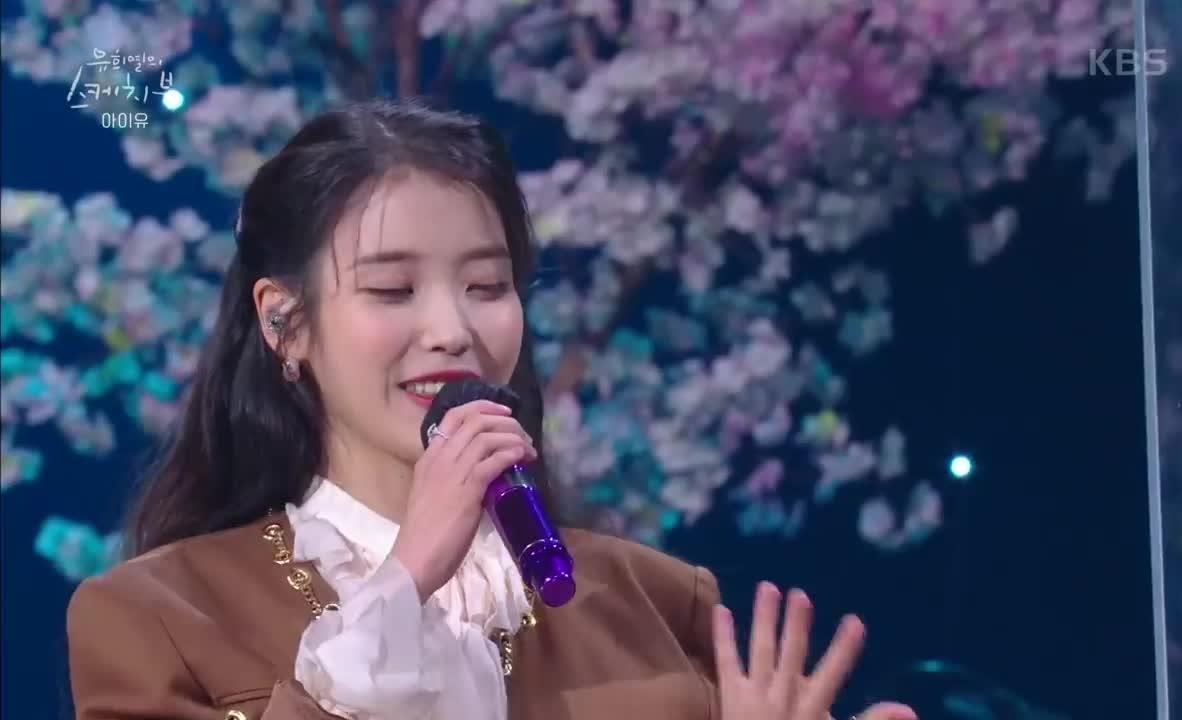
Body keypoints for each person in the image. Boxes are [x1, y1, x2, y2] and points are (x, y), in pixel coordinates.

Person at [65, 99, 917, 720]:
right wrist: (404, 580)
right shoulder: (157, 620)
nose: (452, 330)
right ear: (285, 321)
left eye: (487, 286)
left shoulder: (656, 601)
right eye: (392, 289)